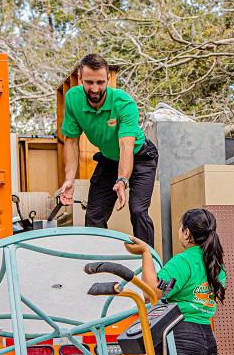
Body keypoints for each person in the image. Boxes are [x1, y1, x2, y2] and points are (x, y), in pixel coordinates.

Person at [125, 208, 225, 355]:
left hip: (181, 340)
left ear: (187, 233)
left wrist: (145, 253)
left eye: (181, 227)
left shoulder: (184, 261)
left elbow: (152, 293)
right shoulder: (215, 264)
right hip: (208, 343)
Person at [55, 53, 159, 245]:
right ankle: (100, 259)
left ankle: (147, 261)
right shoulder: (72, 99)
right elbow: (71, 141)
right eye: (89, 82)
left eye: (100, 82)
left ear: (108, 79)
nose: (95, 89)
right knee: (93, 216)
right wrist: (69, 179)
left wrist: (122, 180)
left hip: (140, 157)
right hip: (109, 159)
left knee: (138, 211)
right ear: (80, 77)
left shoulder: (123, 103)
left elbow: (126, 146)